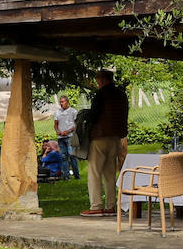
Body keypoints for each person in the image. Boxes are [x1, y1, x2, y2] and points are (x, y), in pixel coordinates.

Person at [79, 70, 128, 217]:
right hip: (116, 137)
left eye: (98, 80)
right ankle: (111, 206)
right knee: (110, 173)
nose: (97, 83)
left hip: (100, 136)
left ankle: (96, 206)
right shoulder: (121, 94)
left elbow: (94, 114)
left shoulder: (101, 94)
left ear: (102, 80)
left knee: (94, 172)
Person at [53, 95, 81, 179]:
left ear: (67, 102)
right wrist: (58, 131)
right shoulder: (57, 112)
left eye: (62, 102)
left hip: (70, 136)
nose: (61, 104)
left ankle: (76, 175)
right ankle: (66, 176)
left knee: (72, 155)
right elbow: (55, 124)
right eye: (60, 102)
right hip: (61, 138)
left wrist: (68, 131)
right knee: (64, 156)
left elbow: (76, 125)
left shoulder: (73, 111)